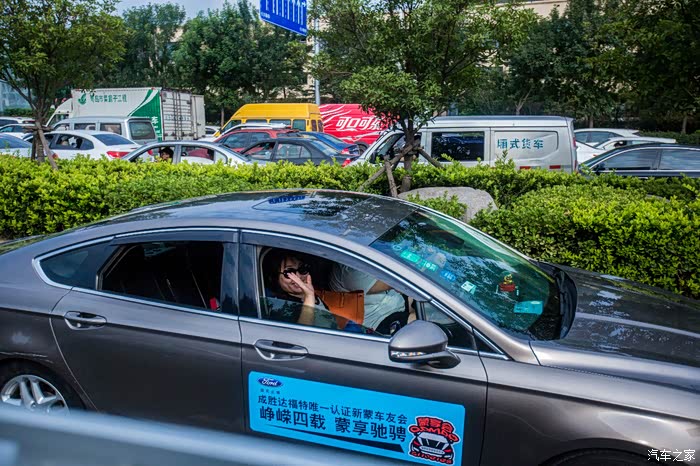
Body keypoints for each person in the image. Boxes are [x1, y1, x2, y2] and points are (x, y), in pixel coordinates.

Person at [329, 264, 407, 332]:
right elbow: (393, 282)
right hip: (378, 320)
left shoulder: (362, 259)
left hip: (393, 305)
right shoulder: (349, 271)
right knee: (413, 325)